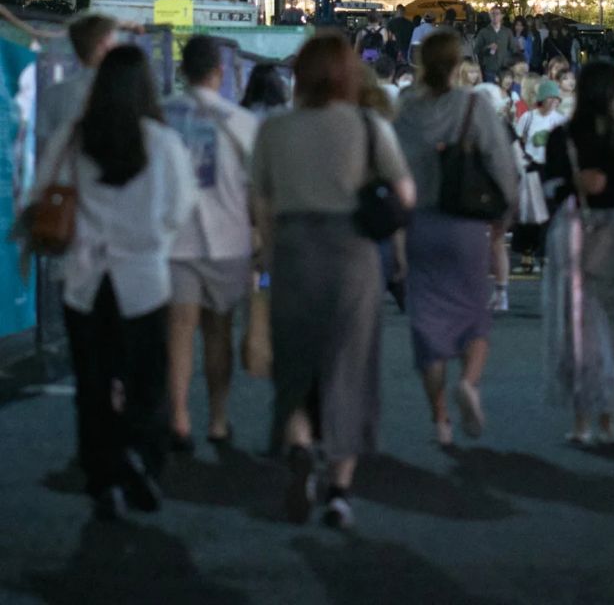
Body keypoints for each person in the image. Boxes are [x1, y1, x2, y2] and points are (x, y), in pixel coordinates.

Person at [251, 32, 415, 528]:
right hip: (352, 256)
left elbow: (260, 203)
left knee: (297, 364)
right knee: (350, 367)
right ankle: (340, 491)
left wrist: (271, 252)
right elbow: (405, 194)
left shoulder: (274, 130)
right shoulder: (368, 127)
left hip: (295, 253)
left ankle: (300, 446)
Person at [35, 45, 197, 519]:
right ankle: (141, 454)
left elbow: (46, 189)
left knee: (93, 381)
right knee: (146, 380)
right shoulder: (161, 141)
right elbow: (179, 209)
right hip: (143, 281)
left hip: (84, 282)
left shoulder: (74, 137)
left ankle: (102, 473)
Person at [394, 30, 518, 446]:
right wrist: (506, 212)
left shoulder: (406, 109)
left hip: (420, 225)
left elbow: (391, 167)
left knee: (427, 322)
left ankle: (441, 420)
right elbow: (501, 165)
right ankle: (469, 381)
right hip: (466, 226)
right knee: (472, 313)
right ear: (458, 64)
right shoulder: (473, 106)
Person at [542, 60, 614, 445]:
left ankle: (591, 419)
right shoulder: (596, 136)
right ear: (605, 91)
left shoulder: (591, 135)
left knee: (584, 327)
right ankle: (598, 420)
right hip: (598, 234)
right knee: (604, 329)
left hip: (587, 234)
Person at [164, 36, 259, 451]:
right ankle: (218, 419)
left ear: (183, 73)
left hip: (174, 243)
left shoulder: (162, 117)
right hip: (228, 241)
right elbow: (258, 189)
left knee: (179, 332)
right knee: (217, 333)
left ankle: (180, 416)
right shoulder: (241, 122)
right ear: (218, 73)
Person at [36, 14, 118, 153]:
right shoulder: (122, 91)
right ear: (104, 45)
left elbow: (41, 145)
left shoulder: (53, 94)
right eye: (115, 41)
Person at [513, 80, 565, 273]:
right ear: (542, 98)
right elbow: (518, 141)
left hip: (549, 169)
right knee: (529, 215)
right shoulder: (528, 118)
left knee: (548, 215)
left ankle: (544, 255)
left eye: (555, 98)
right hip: (531, 167)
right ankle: (528, 256)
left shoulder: (559, 120)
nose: (553, 102)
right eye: (550, 97)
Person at [474, 5, 512, 82]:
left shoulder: (507, 32)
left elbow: (513, 49)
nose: (494, 16)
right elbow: (476, 50)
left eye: (497, 13)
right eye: (492, 14)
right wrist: (487, 48)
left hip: (504, 70)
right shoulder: (483, 32)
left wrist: (508, 62)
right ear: (489, 16)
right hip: (489, 69)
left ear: (502, 16)